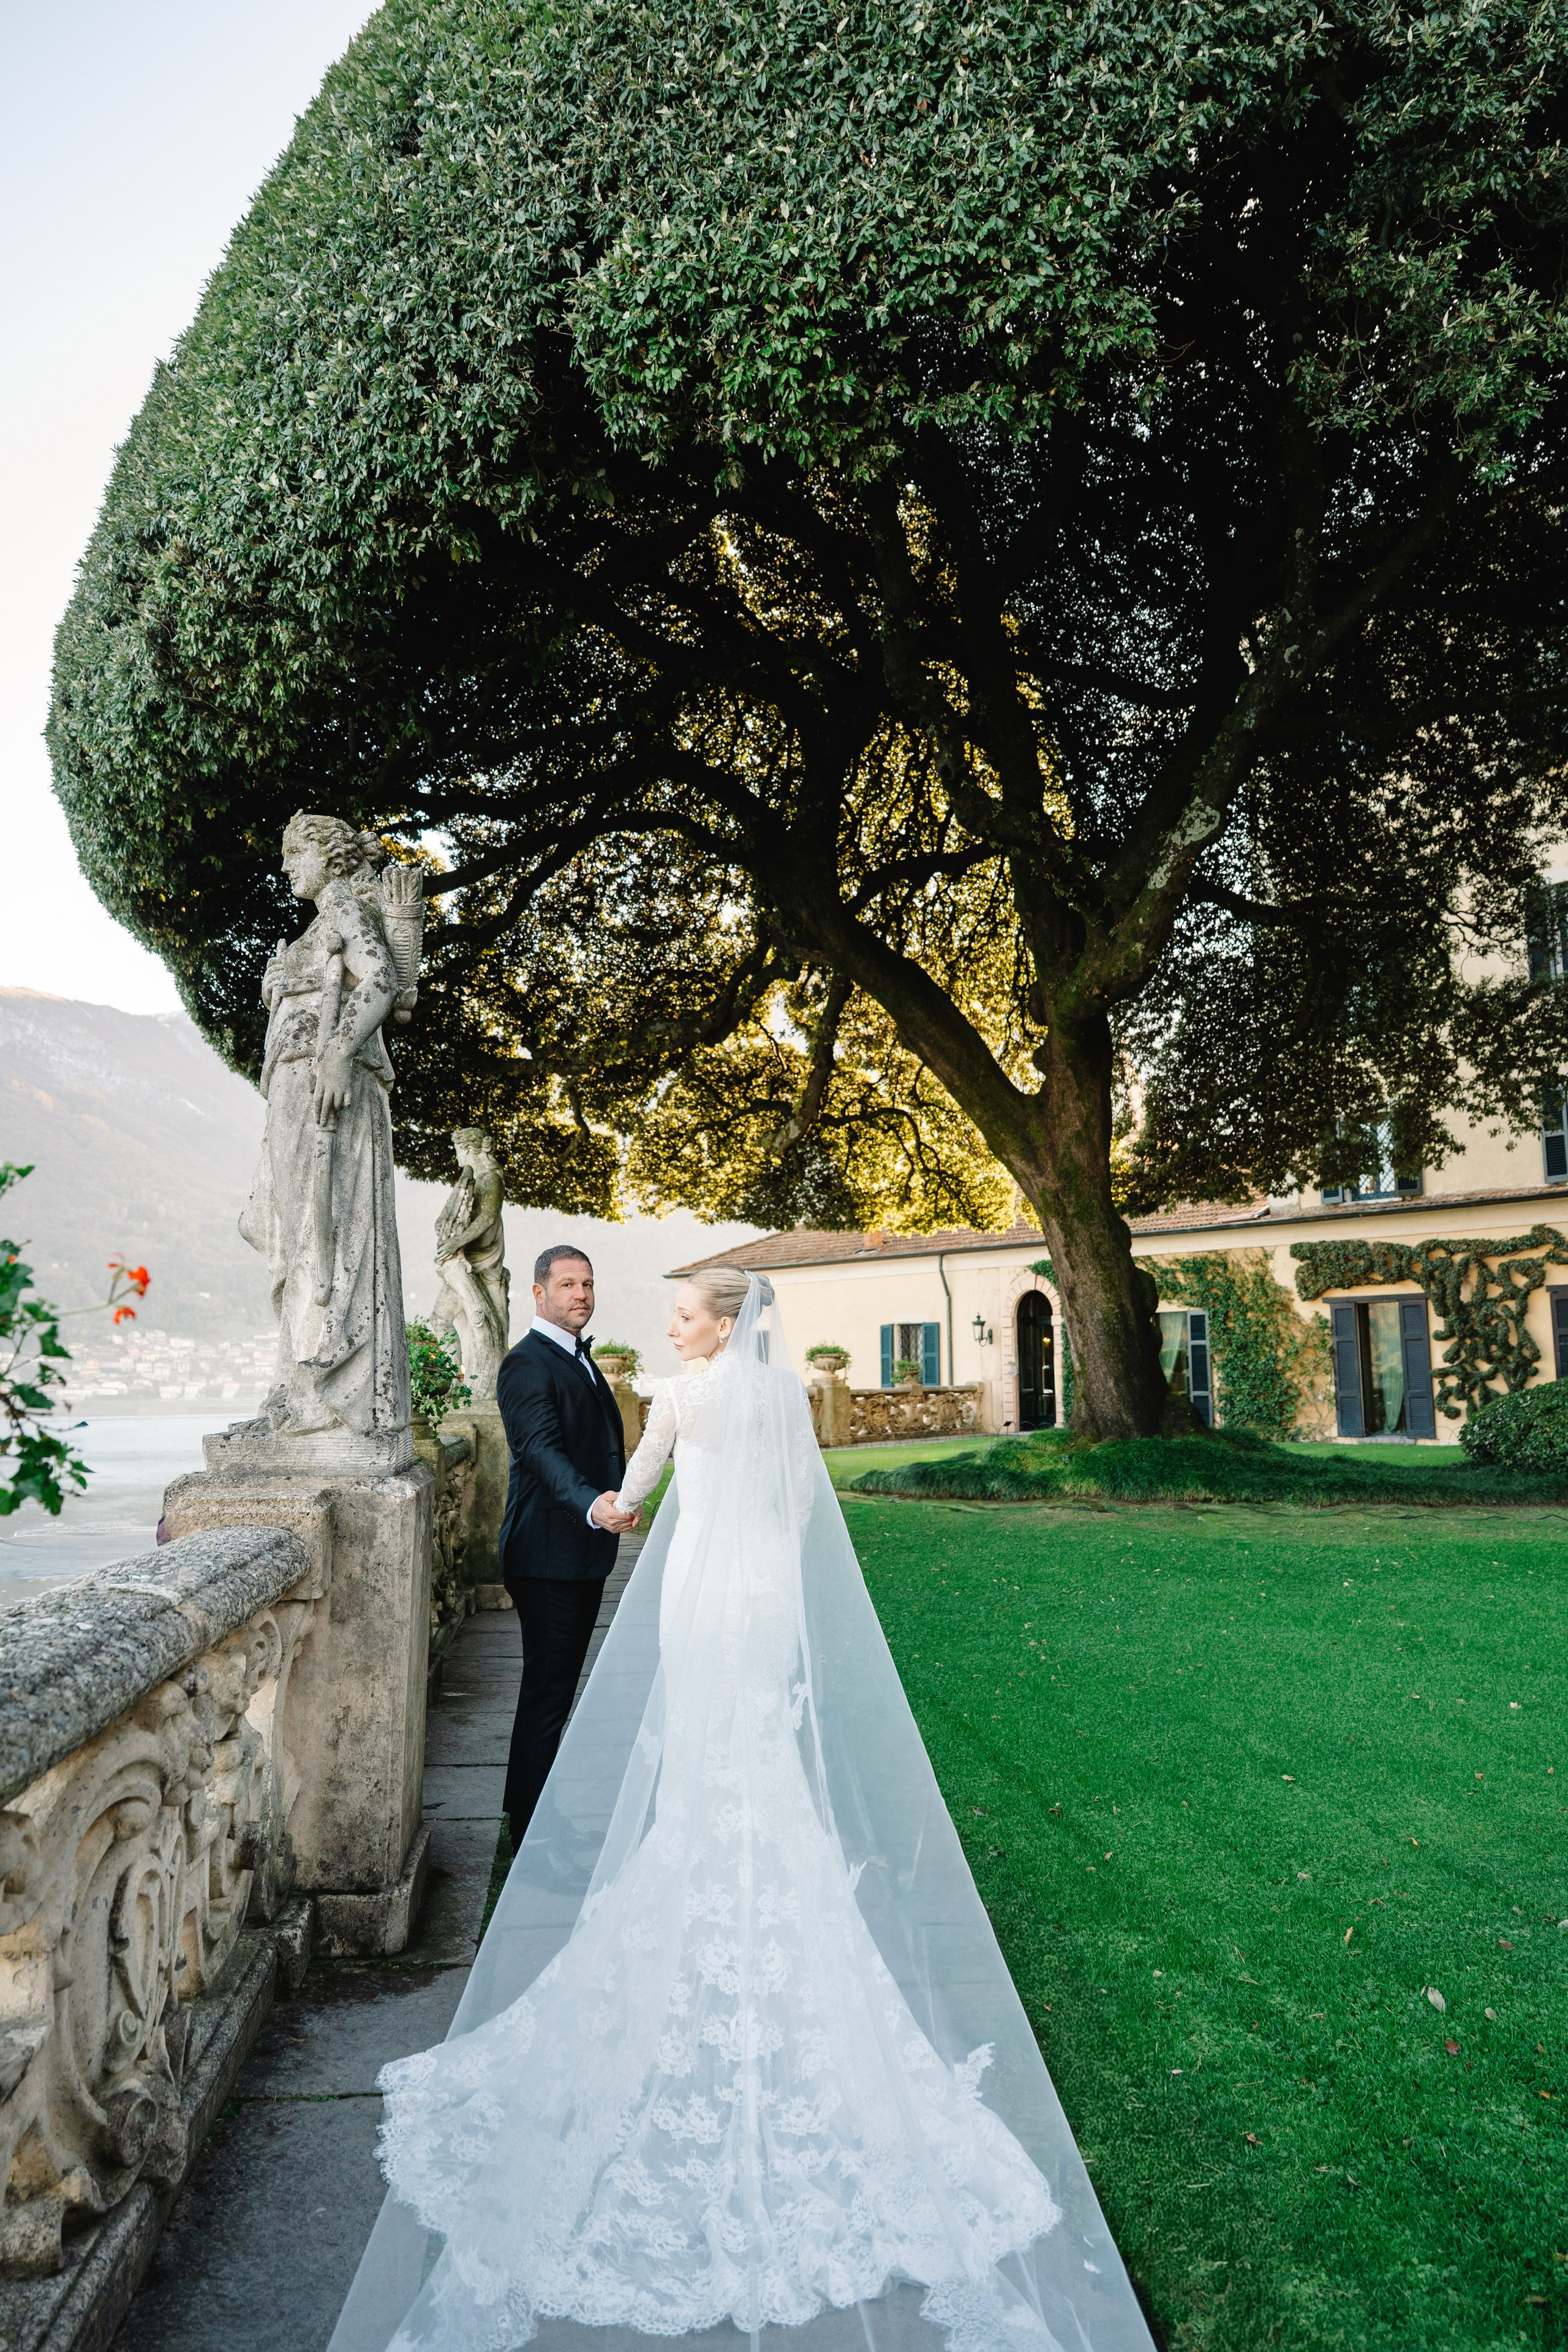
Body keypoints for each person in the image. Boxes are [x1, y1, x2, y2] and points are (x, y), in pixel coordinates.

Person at [332, 1267, 1153, 2352]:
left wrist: (614, 1507)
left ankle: (701, 1870)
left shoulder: (681, 1395)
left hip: (700, 1593)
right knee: (760, 1741)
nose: (667, 1327)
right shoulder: (778, 1399)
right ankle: (769, 1874)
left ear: (720, 1326)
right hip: (765, 1589)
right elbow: (803, 1508)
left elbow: (636, 1495)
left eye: (681, 1316)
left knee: (708, 1742)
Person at [494, 1245, 639, 1850]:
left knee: (551, 1692)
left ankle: (527, 1819)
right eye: (567, 1285)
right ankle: (533, 1837)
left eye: (587, 1283)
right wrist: (591, 1503)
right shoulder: (526, 1364)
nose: (580, 1295)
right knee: (548, 1696)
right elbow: (541, 1451)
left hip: (572, 1555)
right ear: (538, 1293)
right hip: (546, 1556)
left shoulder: (574, 1357)